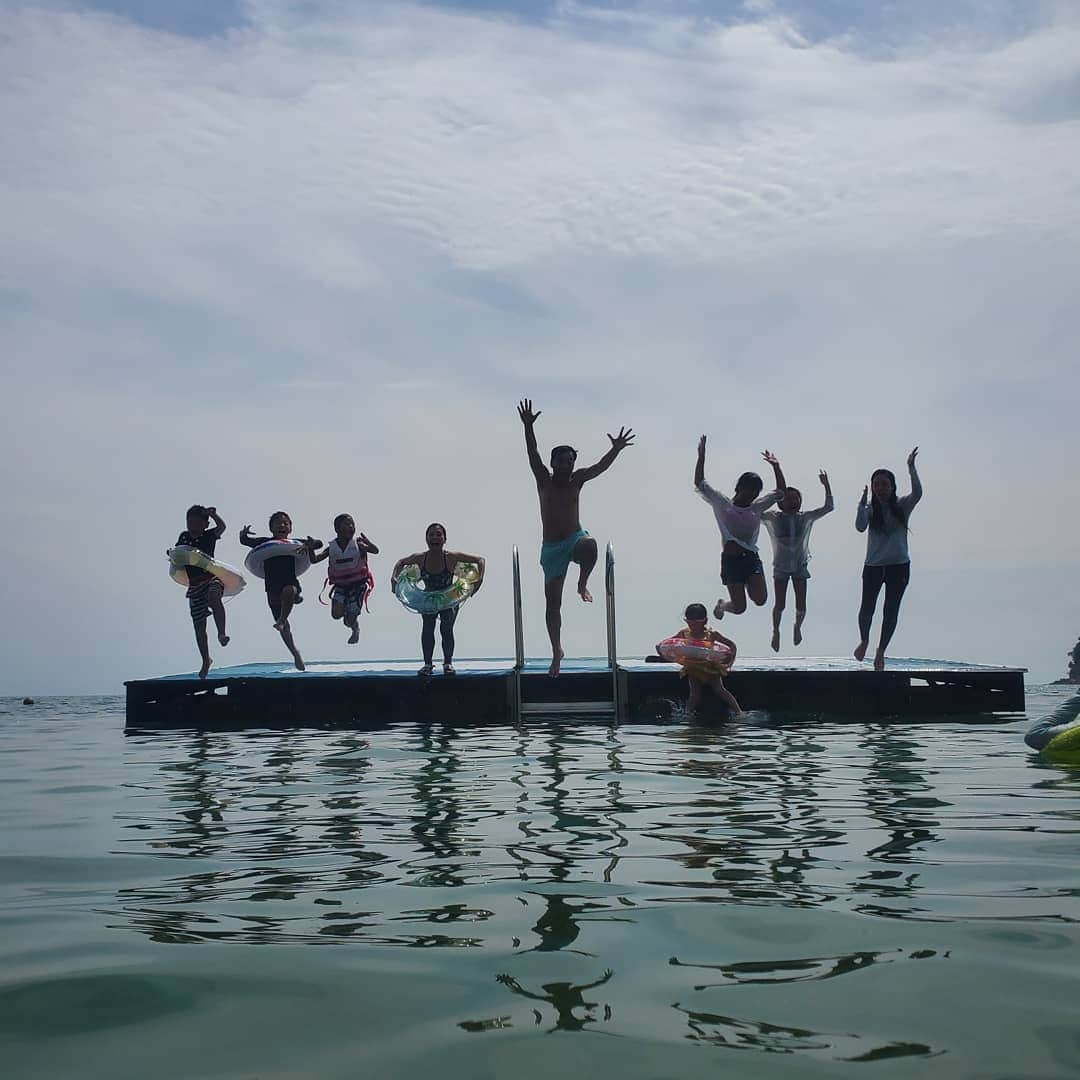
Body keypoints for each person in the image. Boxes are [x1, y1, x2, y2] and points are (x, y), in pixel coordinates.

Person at [518, 399, 634, 676]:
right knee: (552, 605)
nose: (565, 465)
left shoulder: (578, 479)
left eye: (570, 461)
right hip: (552, 549)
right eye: (560, 460)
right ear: (553, 462)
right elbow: (532, 452)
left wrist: (615, 449)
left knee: (591, 544)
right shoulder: (543, 479)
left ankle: (582, 583)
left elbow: (600, 467)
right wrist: (528, 427)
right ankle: (557, 650)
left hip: (574, 538)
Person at [694, 436, 785, 620]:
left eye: (755, 491)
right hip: (731, 559)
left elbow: (781, 493)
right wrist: (701, 456)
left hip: (750, 558)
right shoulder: (723, 504)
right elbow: (700, 483)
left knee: (760, 600)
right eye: (748, 489)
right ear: (739, 487)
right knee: (740, 607)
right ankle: (722, 605)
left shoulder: (757, 507)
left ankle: (748, 583)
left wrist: (776, 467)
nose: (751, 494)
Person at [854, 447, 922, 671]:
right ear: (872, 487)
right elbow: (859, 527)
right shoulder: (870, 509)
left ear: (892, 487)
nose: (880, 488)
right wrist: (861, 506)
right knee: (867, 608)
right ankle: (864, 640)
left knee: (890, 610)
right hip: (873, 566)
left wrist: (911, 469)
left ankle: (881, 651)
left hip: (899, 567)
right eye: (877, 484)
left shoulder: (902, 506)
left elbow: (918, 494)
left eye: (884, 484)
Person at [391, 523, 485, 676]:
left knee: (446, 628)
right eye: (431, 535)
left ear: (444, 539)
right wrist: (394, 578)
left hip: (450, 598)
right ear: (426, 539)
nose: (435, 537)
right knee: (428, 628)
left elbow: (480, 560)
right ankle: (427, 664)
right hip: (427, 598)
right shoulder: (421, 559)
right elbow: (400, 563)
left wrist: (479, 579)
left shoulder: (451, 558)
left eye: (438, 534)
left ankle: (448, 663)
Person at [761, 471, 834, 652]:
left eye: (796, 499)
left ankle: (797, 626)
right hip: (781, 567)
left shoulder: (805, 517)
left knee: (801, 604)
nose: (793, 502)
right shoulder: (773, 517)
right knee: (780, 604)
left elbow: (828, 507)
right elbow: (754, 511)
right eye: (788, 499)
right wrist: (771, 496)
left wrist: (826, 485)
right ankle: (776, 630)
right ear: (781, 502)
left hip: (800, 566)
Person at [240, 511, 319, 671]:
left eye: (285, 523)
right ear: (271, 528)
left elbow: (319, 543)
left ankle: (283, 617)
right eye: (277, 523)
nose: (282, 525)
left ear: (290, 528)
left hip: (289, 581)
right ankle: (295, 653)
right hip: (271, 586)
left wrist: (310, 544)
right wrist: (244, 534)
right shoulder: (265, 542)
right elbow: (245, 541)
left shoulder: (295, 542)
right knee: (284, 625)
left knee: (289, 591)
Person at [656, 603, 742, 715]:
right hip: (693, 668)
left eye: (697, 624)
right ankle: (687, 715)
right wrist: (661, 650)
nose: (693, 627)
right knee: (695, 694)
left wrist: (730, 661)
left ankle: (739, 712)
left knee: (719, 689)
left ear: (705, 621)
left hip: (710, 667)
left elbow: (731, 645)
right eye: (690, 623)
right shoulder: (684, 633)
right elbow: (668, 644)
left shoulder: (711, 634)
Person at [175, 504, 228, 679]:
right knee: (199, 625)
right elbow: (178, 553)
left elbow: (222, 527)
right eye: (189, 522)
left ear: (205, 524)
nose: (192, 525)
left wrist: (214, 515)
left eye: (197, 522)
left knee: (214, 597)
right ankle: (206, 660)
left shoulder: (209, 535)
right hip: (194, 584)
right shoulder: (184, 536)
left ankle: (221, 633)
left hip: (211, 577)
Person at [310, 514, 378, 645]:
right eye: (347, 524)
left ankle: (355, 628)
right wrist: (311, 549)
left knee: (349, 620)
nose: (351, 527)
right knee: (336, 615)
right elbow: (314, 560)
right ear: (337, 529)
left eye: (352, 524)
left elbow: (375, 551)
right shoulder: (331, 548)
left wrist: (368, 543)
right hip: (341, 586)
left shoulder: (359, 545)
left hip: (358, 586)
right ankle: (348, 611)